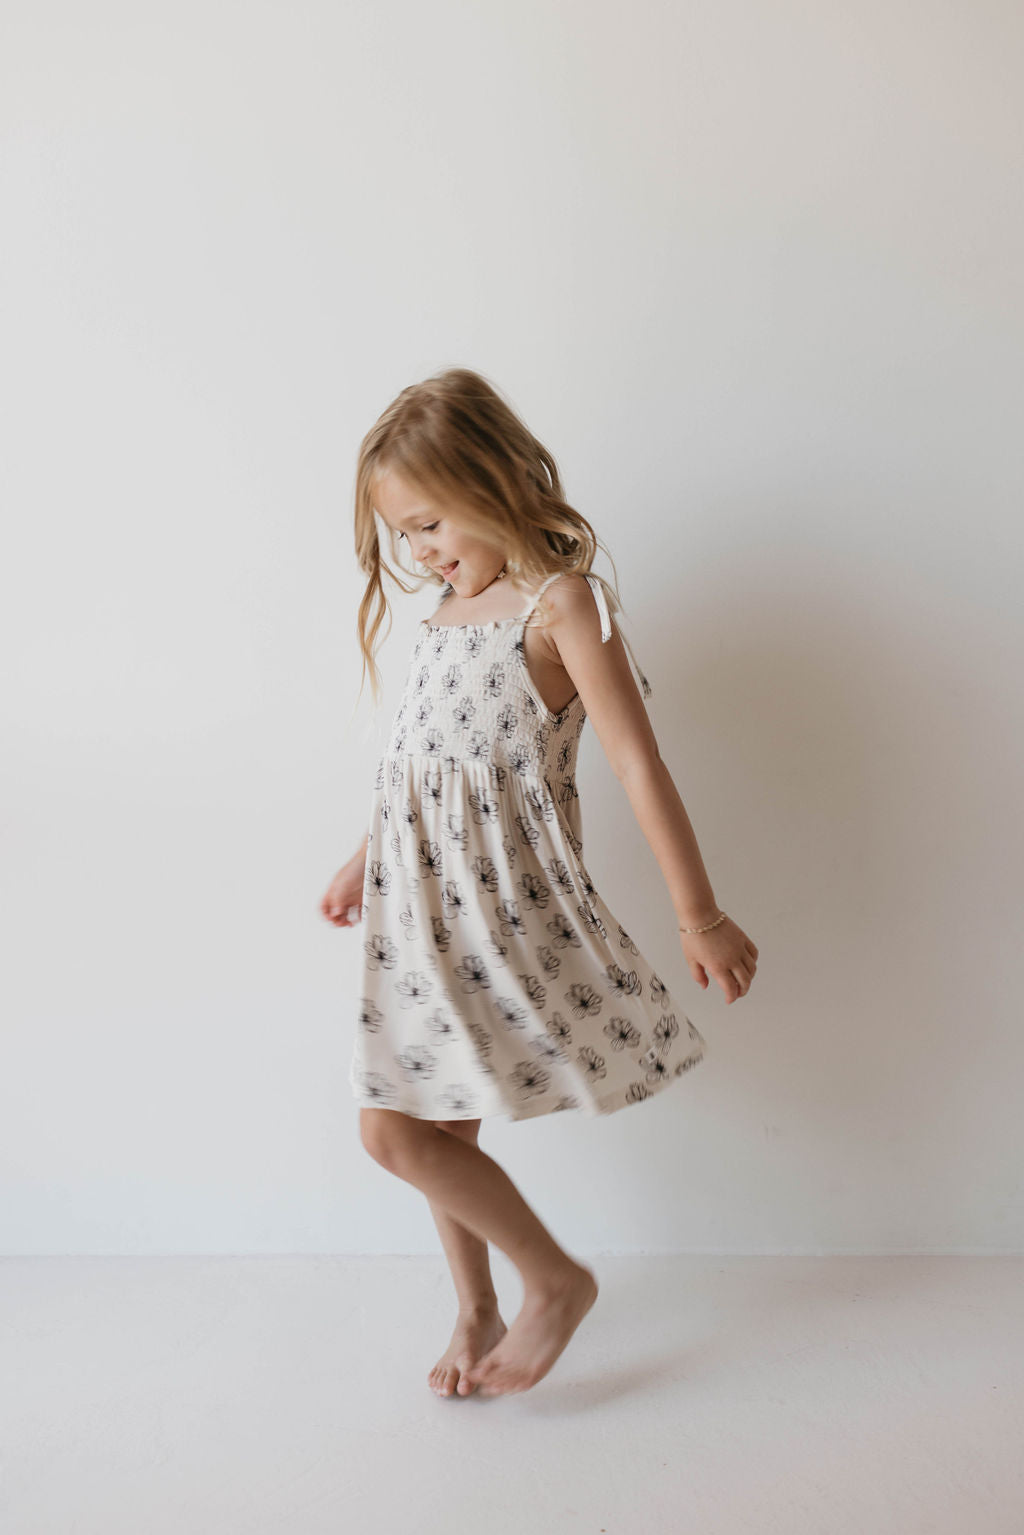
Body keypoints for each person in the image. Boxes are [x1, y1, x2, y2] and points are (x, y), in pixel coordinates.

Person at [320, 367, 759, 1400]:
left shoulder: (562, 605)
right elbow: (422, 768)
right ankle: (475, 1305)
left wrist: (700, 911)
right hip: (417, 911)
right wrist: (362, 853)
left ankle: (553, 1280)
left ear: (492, 481)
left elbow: (639, 762)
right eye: (407, 537)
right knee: (437, 1119)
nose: (423, 551)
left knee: (392, 1127)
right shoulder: (443, 606)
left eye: (430, 523)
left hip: (497, 909)